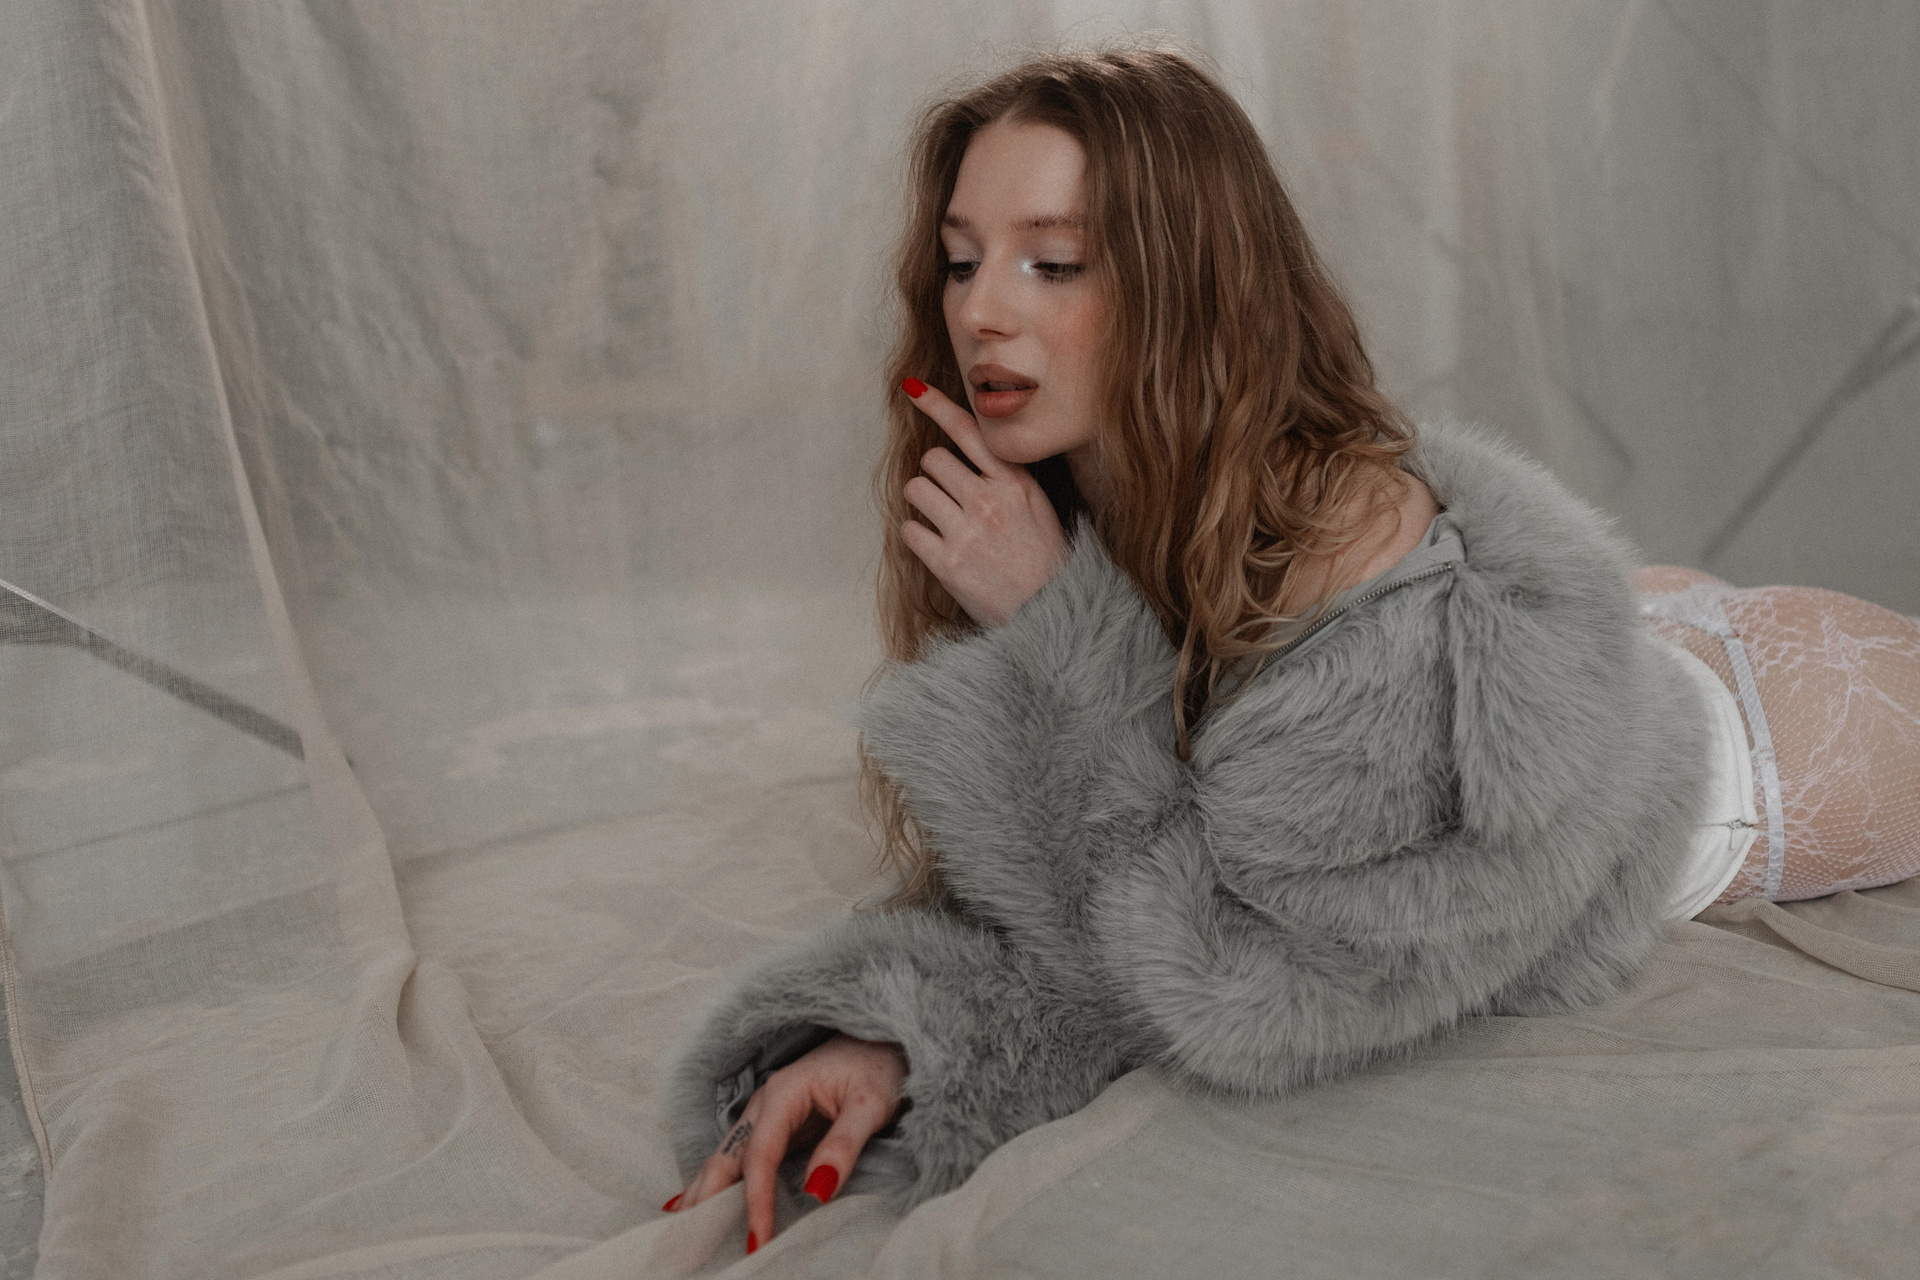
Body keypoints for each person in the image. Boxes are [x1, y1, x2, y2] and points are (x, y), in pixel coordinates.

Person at [659, 46, 1920, 1254]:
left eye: (1055, 263)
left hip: (1777, 736)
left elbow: (1243, 985)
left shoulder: (1346, 545)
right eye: (960, 260)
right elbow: (1077, 865)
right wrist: (891, 1029)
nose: (981, 311)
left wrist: (1056, 624)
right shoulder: (1085, 499)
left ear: (1191, 285)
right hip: (1600, 637)